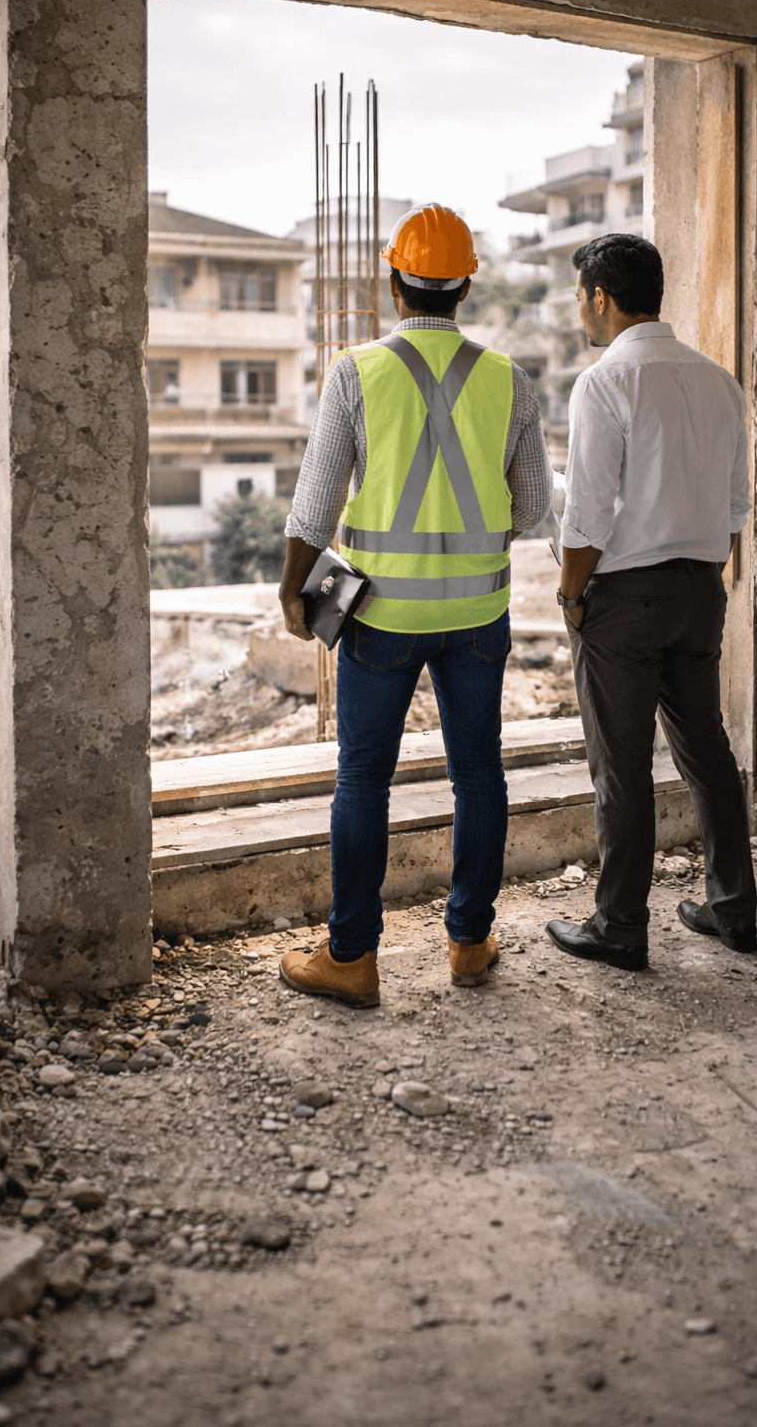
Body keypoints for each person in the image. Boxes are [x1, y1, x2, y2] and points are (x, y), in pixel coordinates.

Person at [277, 203, 552, 1006]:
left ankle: (353, 959)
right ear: (466, 285)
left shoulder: (356, 371)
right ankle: (469, 943)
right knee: (479, 775)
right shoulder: (511, 379)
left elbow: (315, 501)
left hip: (382, 619)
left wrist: (295, 586)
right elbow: (532, 508)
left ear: (393, 281)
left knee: (363, 778)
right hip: (475, 616)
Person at [546, 232, 757, 972]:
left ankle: (620, 927)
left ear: (602, 298)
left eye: (580, 297)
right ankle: (734, 910)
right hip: (701, 590)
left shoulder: (606, 381)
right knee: (708, 751)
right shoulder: (717, 380)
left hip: (625, 599)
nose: (579, 310)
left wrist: (572, 597)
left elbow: (587, 516)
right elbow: (736, 505)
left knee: (622, 766)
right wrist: (703, 578)